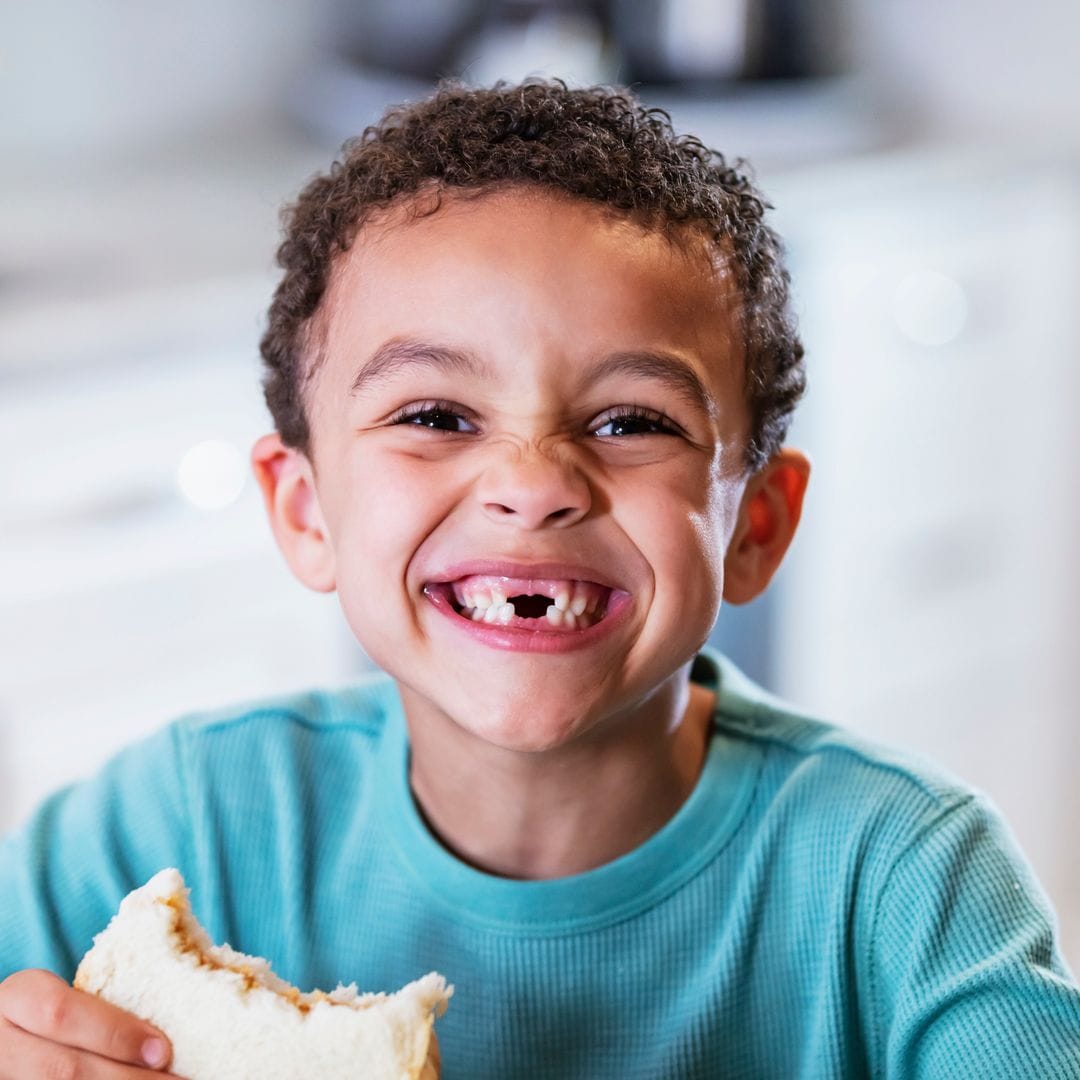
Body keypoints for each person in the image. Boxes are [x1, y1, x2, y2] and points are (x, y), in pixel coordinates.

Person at [1, 79, 1078, 1079]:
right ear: (305, 508)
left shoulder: (902, 884)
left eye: (631, 422)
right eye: (435, 417)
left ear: (754, 523)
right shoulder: (176, 825)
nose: (532, 484)